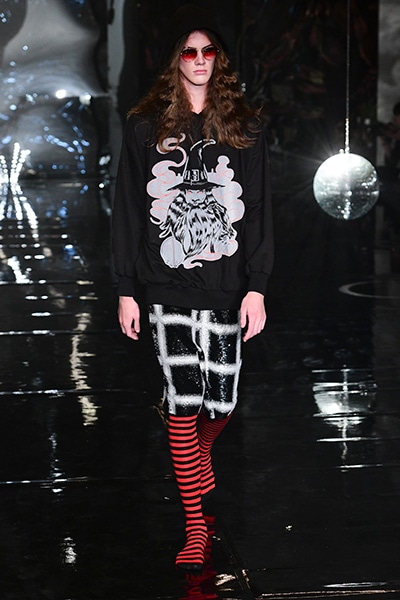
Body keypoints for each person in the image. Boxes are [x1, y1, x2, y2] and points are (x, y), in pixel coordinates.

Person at [112, 4, 274, 571]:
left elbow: (258, 208)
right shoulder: (145, 126)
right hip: (166, 285)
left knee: (220, 403)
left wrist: (257, 287)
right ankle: (195, 528)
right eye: (190, 50)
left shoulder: (243, 127)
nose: (200, 59)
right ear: (176, 59)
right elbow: (128, 208)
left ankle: (195, 454)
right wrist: (126, 288)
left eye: (209, 51)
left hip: (228, 285)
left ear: (220, 59)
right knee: (184, 399)